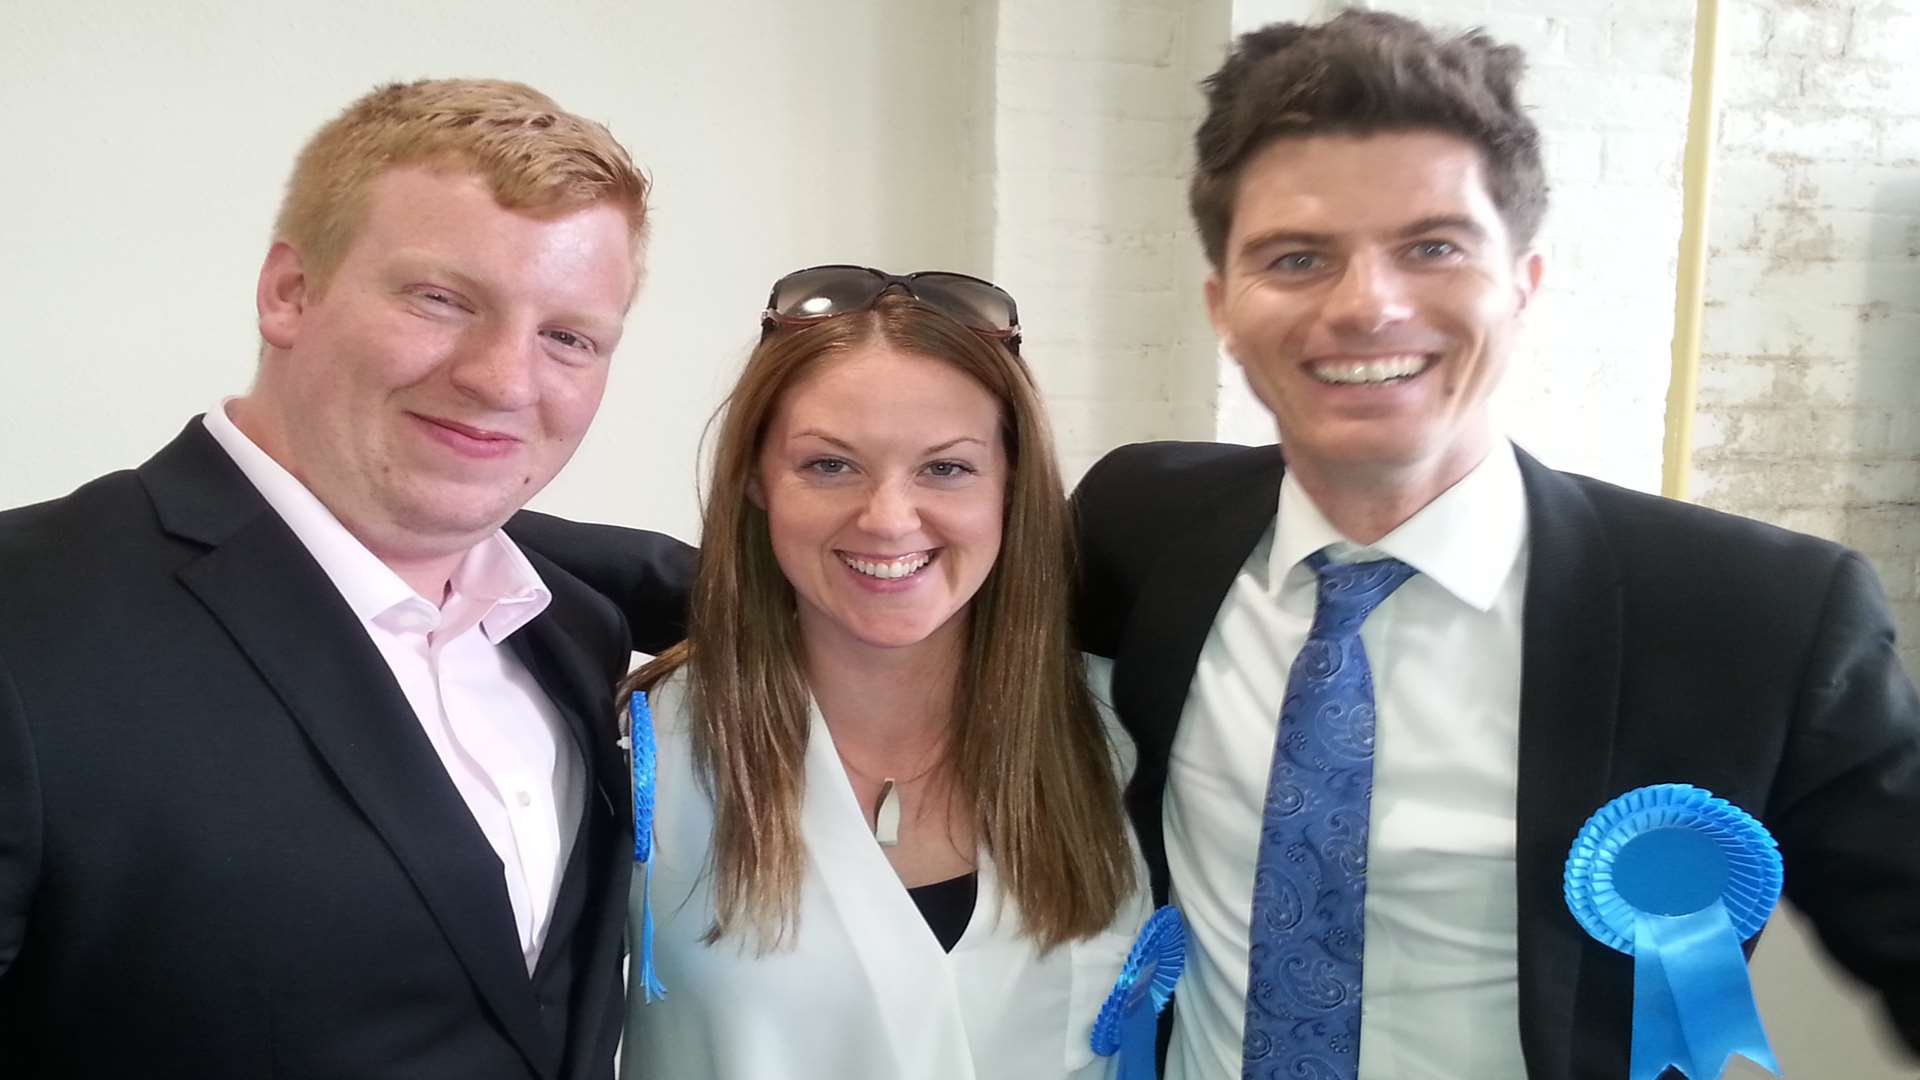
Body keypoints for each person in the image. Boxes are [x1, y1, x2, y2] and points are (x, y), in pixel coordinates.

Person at [1068, 11, 1920, 1080]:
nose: (1367, 305)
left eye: (1432, 247)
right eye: (1296, 257)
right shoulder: (1138, 523)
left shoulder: (1761, 615)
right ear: (1224, 310)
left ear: (1521, 284)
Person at [0, 79, 692, 1078]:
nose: (504, 379)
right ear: (291, 290)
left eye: (569, 338)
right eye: (441, 300)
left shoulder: (574, 630)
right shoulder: (28, 625)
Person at [616, 266, 1150, 1079]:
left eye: (946, 468)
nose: (889, 518)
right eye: (829, 466)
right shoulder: (646, 758)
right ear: (756, 481)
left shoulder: (1127, 734)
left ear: (1013, 486)